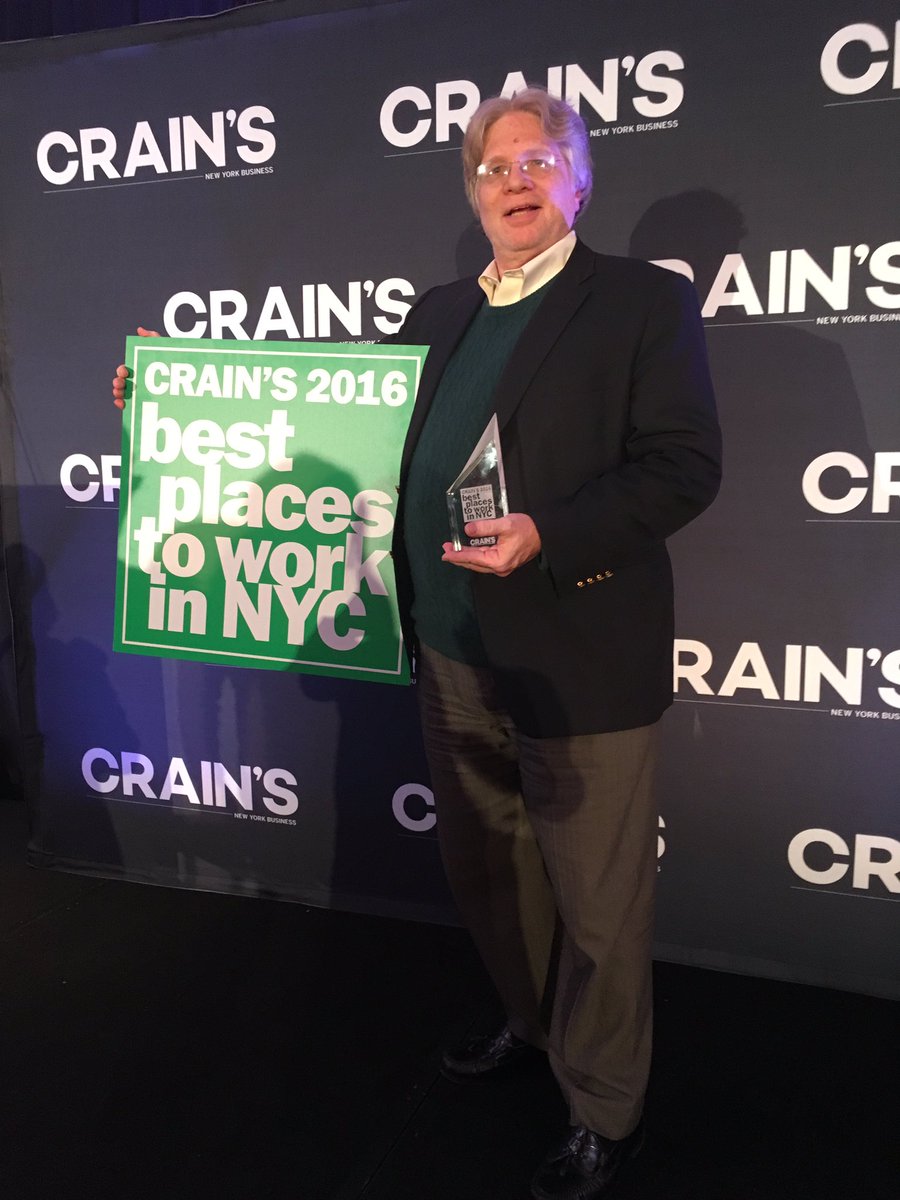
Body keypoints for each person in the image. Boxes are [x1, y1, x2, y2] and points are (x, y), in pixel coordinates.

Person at [114, 87, 720, 1200]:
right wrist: (174, 393)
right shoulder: (439, 312)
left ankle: (605, 1107)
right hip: (447, 649)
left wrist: (549, 532)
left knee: (599, 906)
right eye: (494, 168)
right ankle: (531, 1025)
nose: (515, 182)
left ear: (580, 179)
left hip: (577, 656)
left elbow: (684, 466)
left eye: (538, 160)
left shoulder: (641, 301)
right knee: (491, 873)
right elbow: (340, 424)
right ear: (473, 193)